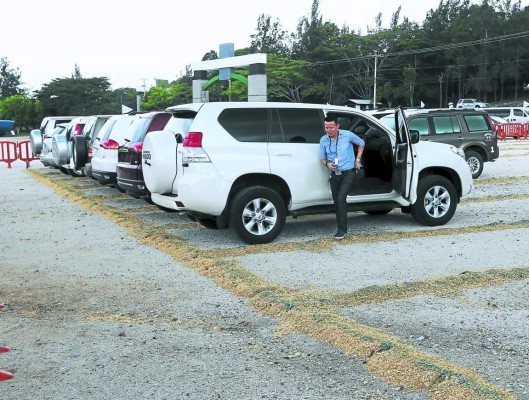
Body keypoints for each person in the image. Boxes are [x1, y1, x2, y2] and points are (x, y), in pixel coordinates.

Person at [319, 115, 365, 240]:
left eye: (331, 127)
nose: (329, 130)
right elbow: (322, 159)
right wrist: (327, 163)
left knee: (340, 198)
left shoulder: (347, 135)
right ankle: (340, 226)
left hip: (348, 172)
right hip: (335, 174)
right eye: (326, 128)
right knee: (337, 202)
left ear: (337, 126)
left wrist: (358, 159)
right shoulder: (323, 140)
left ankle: (342, 230)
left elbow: (362, 143)